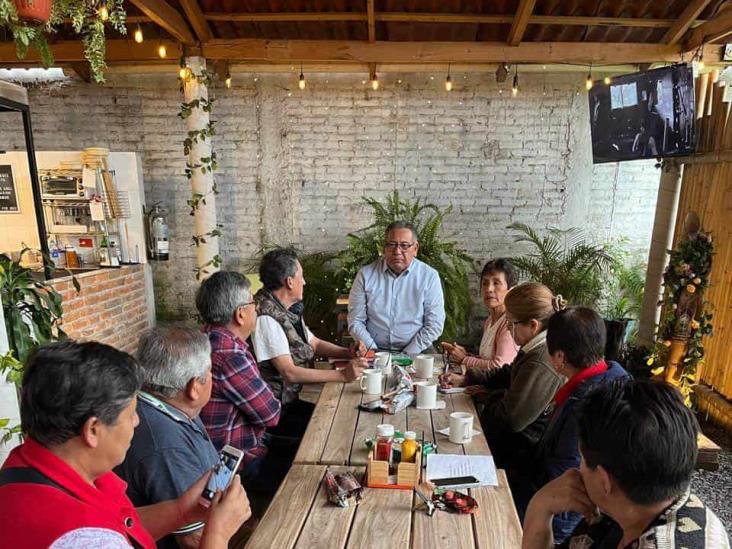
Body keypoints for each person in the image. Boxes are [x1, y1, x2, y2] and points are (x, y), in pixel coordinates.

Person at [0, 341, 249, 549]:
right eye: (130, 414)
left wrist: (182, 510)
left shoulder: (28, 464)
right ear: (93, 430)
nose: (137, 421)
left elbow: (119, 525)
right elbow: (100, 536)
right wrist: (217, 535)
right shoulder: (85, 540)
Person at [522, 379, 730, 549]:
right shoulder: (642, 503)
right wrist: (541, 507)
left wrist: (539, 506)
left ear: (605, 481)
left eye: (582, 460)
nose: (577, 471)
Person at [511, 307, 630, 542]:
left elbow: (566, 476)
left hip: (564, 517)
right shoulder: (616, 377)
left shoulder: (585, 405)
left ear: (560, 358)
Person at [115, 327, 223, 549]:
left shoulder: (170, 407)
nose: (213, 377)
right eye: (209, 372)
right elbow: (194, 538)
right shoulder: (165, 445)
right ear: (194, 387)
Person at [439, 282, 564, 468]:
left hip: (520, 455)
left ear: (533, 325)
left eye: (511, 324)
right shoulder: (534, 347)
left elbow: (511, 420)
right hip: (511, 442)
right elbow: (508, 373)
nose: (508, 330)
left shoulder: (541, 360)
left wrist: (485, 396)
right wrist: (467, 378)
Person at [252, 248, 367, 438]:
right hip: (277, 412)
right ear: (289, 281)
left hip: (291, 400)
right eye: (301, 276)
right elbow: (290, 373)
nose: (304, 282)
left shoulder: (286, 309)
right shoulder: (266, 318)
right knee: (336, 425)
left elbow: (313, 343)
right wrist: (342, 375)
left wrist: (349, 353)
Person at [195, 271, 288, 496]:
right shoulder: (229, 354)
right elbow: (271, 414)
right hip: (236, 467)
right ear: (240, 314)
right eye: (253, 303)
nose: (256, 308)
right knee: (310, 473)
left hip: (220, 454)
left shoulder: (204, 338)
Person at [348, 220, 446, 354]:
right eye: (392, 245)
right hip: (373, 348)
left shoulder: (429, 277)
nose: (397, 251)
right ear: (384, 248)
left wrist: (407, 354)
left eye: (404, 245)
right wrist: (373, 350)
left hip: (418, 349)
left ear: (415, 248)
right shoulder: (365, 275)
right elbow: (356, 320)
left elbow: (434, 324)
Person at [441, 258, 519, 371]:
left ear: (510, 290)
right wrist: (466, 355)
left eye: (496, 283)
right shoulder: (490, 321)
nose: (489, 289)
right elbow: (486, 359)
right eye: (485, 283)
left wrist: (464, 359)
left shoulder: (509, 324)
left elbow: (500, 366)